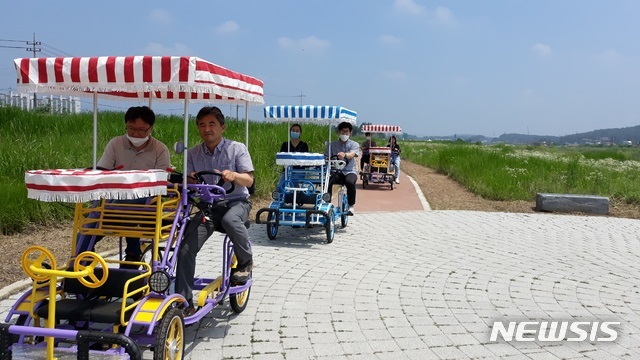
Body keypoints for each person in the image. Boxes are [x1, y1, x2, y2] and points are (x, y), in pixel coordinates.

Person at [175, 106, 254, 316]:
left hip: (237, 202)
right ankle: (184, 302)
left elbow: (249, 180)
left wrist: (234, 175)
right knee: (185, 247)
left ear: (222, 127)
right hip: (208, 206)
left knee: (230, 220)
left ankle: (246, 262)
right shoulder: (192, 153)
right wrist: (189, 178)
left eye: (212, 124)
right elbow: (187, 182)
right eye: (202, 125)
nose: (207, 129)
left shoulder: (237, 148)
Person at [76, 106, 170, 264]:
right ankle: (80, 261)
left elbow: (161, 181)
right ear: (126, 125)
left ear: (151, 128)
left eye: (141, 130)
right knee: (87, 227)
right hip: (112, 196)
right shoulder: (116, 144)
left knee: (122, 206)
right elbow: (102, 170)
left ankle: (133, 252)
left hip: (145, 198)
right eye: (131, 128)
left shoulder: (160, 150)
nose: (135, 134)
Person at [325, 121, 359, 215]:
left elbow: (352, 154)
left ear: (350, 133)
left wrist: (345, 155)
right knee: (328, 181)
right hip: (336, 171)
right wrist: (328, 158)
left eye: (347, 132)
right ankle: (327, 203)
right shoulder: (331, 145)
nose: (345, 134)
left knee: (350, 182)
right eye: (342, 132)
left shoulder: (354, 144)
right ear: (338, 132)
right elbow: (326, 157)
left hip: (349, 171)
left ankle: (351, 205)